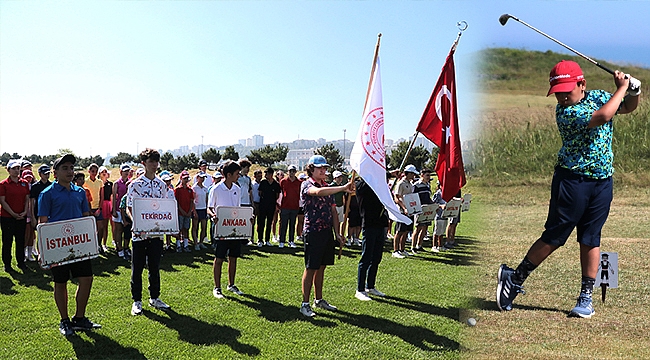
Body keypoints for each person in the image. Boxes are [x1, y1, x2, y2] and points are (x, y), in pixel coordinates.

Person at [496, 60, 640, 318]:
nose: (561, 97)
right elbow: (604, 115)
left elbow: (626, 107)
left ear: (581, 84)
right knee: (555, 236)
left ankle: (586, 298)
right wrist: (622, 87)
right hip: (572, 181)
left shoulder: (598, 96)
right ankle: (514, 278)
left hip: (602, 181)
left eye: (566, 90)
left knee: (591, 238)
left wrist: (634, 92)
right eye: (557, 92)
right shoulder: (567, 113)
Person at [37, 154, 101, 337]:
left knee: (87, 279)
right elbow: (43, 223)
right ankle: (64, 320)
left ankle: (79, 319)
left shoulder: (80, 192)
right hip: (58, 246)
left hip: (80, 244)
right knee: (60, 282)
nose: (70, 171)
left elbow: (86, 216)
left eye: (71, 168)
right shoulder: (46, 193)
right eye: (65, 168)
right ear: (55, 173)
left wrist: (91, 239)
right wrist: (43, 251)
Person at [299, 155, 353, 317]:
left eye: (325, 168)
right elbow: (317, 192)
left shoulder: (328, 187)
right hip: (313, 231)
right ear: (311, 169)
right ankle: (305, 304)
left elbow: (334, 212)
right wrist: (343, 187)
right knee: (311, 267)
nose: (323, 170)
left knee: (322, 267)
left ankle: (319, 299)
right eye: (320, 168)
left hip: (326, 232)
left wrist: (337, 232)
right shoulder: (306, 184)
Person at [126, 148, 173, 315]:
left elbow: (165, 208)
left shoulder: (162, 185)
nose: (154, 165)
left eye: (156, 161)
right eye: (151, 161)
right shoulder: (135, 184)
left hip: (156, 233)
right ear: (143, 163)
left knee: (155, 266)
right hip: (139, 234)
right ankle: (137, 301)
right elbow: (129, 208)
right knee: (137, 267)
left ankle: (154, 298)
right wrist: (135, 223)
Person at [207, 160, 245, 299]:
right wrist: (213, 215)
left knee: (233, 257)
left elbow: (238, 208)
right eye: (237, 173)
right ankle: (217, 288)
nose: (238, 176)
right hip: (220, 228)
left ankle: (231, 284)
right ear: (228, 174)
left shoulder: (237, 188)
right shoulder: (216, 189)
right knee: (219, 258)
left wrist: (247, 218)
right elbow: (209, 207)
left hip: (234, 228)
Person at [354, 176, 388, 301]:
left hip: (381, 223)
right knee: (366, 257)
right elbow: (368, 184)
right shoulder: (361, 185)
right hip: (369, 224)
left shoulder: (377, 183)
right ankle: (360, 289)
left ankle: (370, 286)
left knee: (376, 257)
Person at [0, 159, 30, 272]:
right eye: (14, 168)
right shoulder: (3, 184)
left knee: (20, 241)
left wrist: (25, 211)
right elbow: (2, 201)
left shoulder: (24, 183)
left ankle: (21, 262)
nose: (17, 171)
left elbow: (27, 198)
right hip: (7, 217)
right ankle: (7, 264)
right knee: (7, 241)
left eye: (18, 168)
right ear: (8, 170)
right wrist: (13, 213)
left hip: (21, 216)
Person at [392, 164, 418, 258]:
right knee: (399, 231)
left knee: (406, 231)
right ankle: (395, 250)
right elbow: (397, 197)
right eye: (412, 174)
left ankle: (402, 249)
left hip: (410, 211)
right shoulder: (401, 183)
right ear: (408, 173)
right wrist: (404, 208)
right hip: (402, 211)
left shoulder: (410, 184)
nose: (414, 175)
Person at [29, 164, 52, 262]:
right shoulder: (35, 187)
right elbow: (31, 202)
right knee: (40, 234)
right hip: (38, 213)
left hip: (50, 213)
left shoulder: (51, 185)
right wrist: (33, 217)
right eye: (45, 173)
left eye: (48, 173)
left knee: (50, 235)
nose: (47, 175)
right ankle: (40, 254)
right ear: (39, 174)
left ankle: (48, 253)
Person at [279, 165, 301, 248]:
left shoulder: (299, 182)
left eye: (293, 171)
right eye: (290, 171)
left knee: (292, 225)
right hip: (285, 206)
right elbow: (280, 193)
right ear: (287, 172)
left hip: (294, 206)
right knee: (283, 225)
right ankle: (282, 241)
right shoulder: (283, 181)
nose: (291, 173)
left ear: (295, 172)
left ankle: (291, 241)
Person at [257, 167, 280, 247]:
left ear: (271, 174)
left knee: (269, 222)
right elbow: (260, 193)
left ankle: (267, 240)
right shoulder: (263, 182)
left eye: (267, 173)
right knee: (261, 222)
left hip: (271, 206)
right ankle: (260, 240)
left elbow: (277, 195)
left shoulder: (276, 184)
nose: (266, 175)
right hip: (263, 205)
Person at [412, 169, 433, 253]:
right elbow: (413, 198)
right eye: (427, 175)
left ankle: (419, 245)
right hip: (419, 209)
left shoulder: (428, 185)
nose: (429, 177)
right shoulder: (416, 185)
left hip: (428, 209)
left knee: (425, 228)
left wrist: (433, 203)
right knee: (418, 228)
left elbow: (428, 198)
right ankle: (413, 247)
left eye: (429, 175)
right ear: (422, 175)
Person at [112, 165, 131, 260]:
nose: (126, 173)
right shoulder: (116, 183)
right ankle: (119, 248)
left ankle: (126, 247)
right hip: (119, 209)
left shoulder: (131, 182)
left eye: (128, 171)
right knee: (118, 229)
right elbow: (115, 197)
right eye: (125, 171)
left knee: (127, 229)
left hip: (128, 209)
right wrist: (114, 210)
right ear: (121, 172)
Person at [83, 164, 103, 253]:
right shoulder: (85, 182)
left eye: (96, 171)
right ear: (89, 171)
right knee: (89, 229)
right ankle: (91, 246)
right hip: (88, 209)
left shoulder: (100, 182)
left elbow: (101, 196)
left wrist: (100, 208)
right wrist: (89, 210)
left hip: (98, 208)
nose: (94, 173)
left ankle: (99, 244)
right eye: (92, 171)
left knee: (101, 228)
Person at [174, 170, 195, 253]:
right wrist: (181, 210)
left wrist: (190, 211)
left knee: (186, 228)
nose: (186, 180)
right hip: (180, 212)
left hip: (187, 212)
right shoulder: (178, 189)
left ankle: (185, 245)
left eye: (187, 178)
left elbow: (191, 201)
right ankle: (178, 245)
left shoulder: (190, 189)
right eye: (184, 178)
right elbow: (176, 202)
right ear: (181, 179)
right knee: (179, 229)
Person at [192, 172, 209, 250]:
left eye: (203, 178)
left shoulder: (205, 188)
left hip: (203, 209)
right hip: (196, 209)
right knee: (195, 227)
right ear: (197, 178)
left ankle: (201, 242)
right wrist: (194, 211)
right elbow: (192, 200)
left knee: (204, 227)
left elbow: (206, 200)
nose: (202, 179)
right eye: (201, 177)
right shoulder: (194, 188)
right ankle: (196, 243)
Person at [97, 166, 113, 254]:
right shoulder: (98, 183)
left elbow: (111, 196)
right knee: (99, 226)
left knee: (106, 226)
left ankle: (104, 244)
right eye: (102, 172)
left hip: (107, 204)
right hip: (100, 204)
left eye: (105, 171)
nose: (104, 173)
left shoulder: (110, 184)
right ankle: (97, 244)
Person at [431, 181, 447, 253]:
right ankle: (434, 246)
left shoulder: (447, 193)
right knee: (437, 231)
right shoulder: (437, 194)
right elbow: (433, 203)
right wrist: (440, 206)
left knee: (442, 231)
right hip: (439, 215)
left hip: (445, 215)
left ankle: (440, 245)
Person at [330, 171, 346, 241]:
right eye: (338, 177)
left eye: (340, 177)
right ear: (334, 178)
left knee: (339, 222)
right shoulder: (331, 186)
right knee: (333, 222)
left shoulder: (342, 186)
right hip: (334, 206)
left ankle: (337, 236)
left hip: (340, 205)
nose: (340, 179)